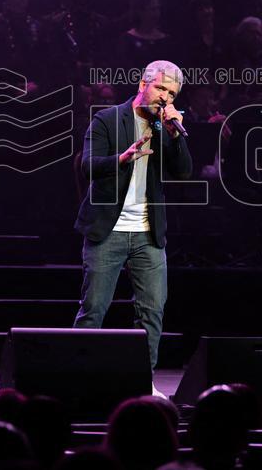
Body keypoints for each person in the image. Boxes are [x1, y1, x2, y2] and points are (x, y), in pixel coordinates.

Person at [73, 60, 193, 377]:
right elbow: (87, 165)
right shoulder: (107, 119)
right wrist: (122, 158)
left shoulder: (164, 128)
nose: (166, 98)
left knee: (152, 311)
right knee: (94, 309)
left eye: (172, 93)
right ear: (143, 85)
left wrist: (176, 136)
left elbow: (183, 171)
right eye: (161, 88)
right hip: (108, 229)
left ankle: (142, 380)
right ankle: (76, 376)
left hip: (148, 233)